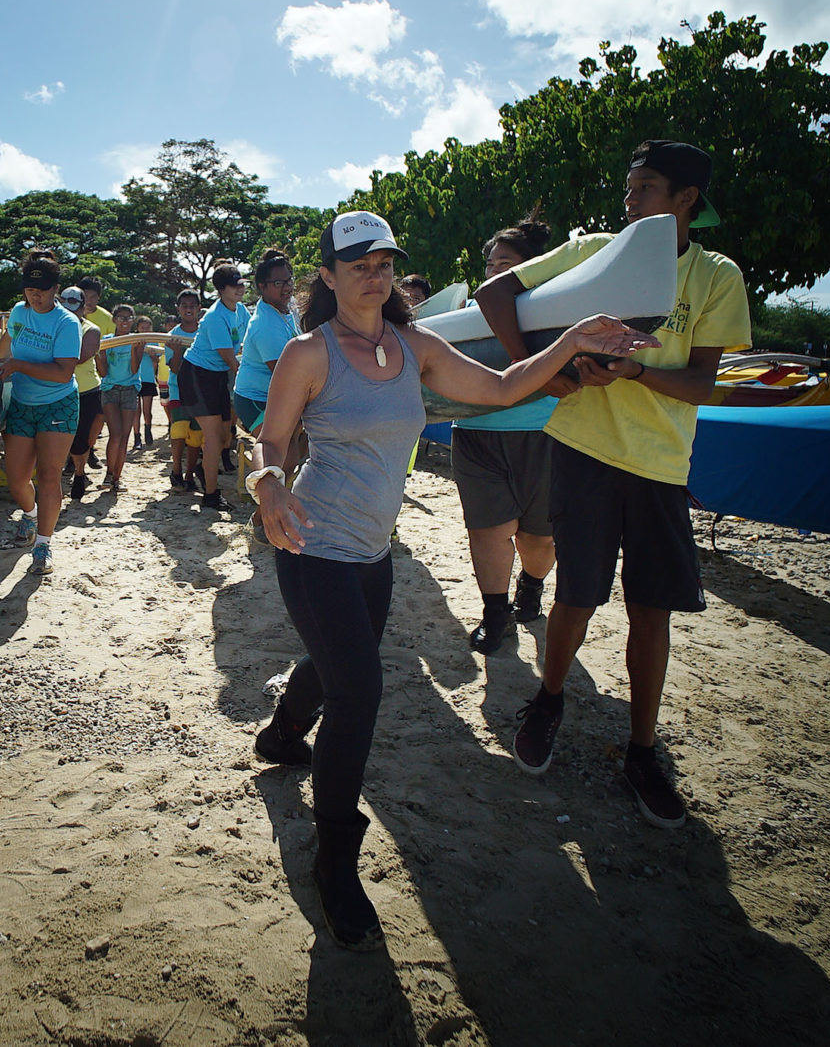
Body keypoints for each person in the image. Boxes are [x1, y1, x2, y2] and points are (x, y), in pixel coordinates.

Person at [249, 210, 658, 949]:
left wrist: (569, 342)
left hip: (372, 553)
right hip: (310, 543)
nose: (374, 274)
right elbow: (271, 439)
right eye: (359, 263)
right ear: (331, 276)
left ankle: (281, 734)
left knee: (335, 665)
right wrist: (270, 486)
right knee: (360, 688)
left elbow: (501, 388)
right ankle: (336, 860)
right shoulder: (309, 353)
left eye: (384, 262)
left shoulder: (417, 347)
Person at [476, 140, 749, 829]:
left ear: (687, 200)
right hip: (583, 447)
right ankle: (550, 698)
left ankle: (642, 748)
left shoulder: (716, 275)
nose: (631, 200)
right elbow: (495, 292)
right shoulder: (599, 247)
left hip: (660, 463)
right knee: (576, 594)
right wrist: (547, 368)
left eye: (648, 187)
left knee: (650, 608)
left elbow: (701, 384)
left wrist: (633, 373)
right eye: (629, 186)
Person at [454, 217, 560, 654]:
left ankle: (531, 585)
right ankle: (495, 613)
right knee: (488, 531)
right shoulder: (465, 318)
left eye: (507, 264)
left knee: (539, 538)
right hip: (477, 434)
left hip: (544, 434)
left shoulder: (557, 312)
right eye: (490, 265)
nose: (495, 273)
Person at [0, 254, 83, 575]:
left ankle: (43, 544)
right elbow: (8, 340)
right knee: (16, 477)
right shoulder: (19, 312)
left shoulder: (66, 322)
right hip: (21, 402)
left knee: (49, 475)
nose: (36, 295)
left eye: (43, 289)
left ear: (55, 288)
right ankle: (30, 515)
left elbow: (63, 373)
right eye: (30, 288)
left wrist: (17, 366)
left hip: (58, 403)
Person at [183, 263, 250, 509]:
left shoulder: (241, 311)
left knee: (224, 437)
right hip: (198, 375)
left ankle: (203, 468)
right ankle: (211, 495)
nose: (240, 289)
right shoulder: (214, 317)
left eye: (241, 284)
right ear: (221, 289)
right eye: (234, 285)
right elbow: (230, 359)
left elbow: (250, 341)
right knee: (212, 438)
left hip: (218, 376)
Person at [232, 249, 298, 435]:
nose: (286, 287)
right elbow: (284, 376)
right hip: (255, 400)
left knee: (294, 449)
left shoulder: (289, 306)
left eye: (289, 280)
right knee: (275, 447)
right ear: (262, 286)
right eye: (278, 283)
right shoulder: (265, 325)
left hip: (279, 397)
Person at [60, 284, 108, 501]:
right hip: (57, 388)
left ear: (83, 309)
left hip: (86, 389)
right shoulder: (54, 325)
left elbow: (79, 356)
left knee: (82, 438)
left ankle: (79, 472)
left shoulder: (91, 329)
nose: (70, 312)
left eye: (75, 308)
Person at [97, 304, 147, 493]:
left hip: (129, 389)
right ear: (114, 319)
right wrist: (99, 355)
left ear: (133, 320)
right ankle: (109, 473)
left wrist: (135, 350)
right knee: (115, 434)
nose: (125, 321)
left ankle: (117, 478)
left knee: (124, 437)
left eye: (128, 317)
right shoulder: (107, 341)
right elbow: (103, 372)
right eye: (121, 317)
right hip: (110, 389)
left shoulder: (137, 340)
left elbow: (134, 369)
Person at [70, 277, 116, 475]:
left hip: (96, 378)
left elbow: (111, 348)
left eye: (93, 296)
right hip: (68, 379)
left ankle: (88, 451)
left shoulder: (106, 319)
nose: (88, 301)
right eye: (84, 296)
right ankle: (72, 459)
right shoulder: (64, 316)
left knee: (96, 419)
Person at [163, 290, 203, 489]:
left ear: (199, 309)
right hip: (178, 389)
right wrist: (177, 352)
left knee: (196, 434)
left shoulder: (205, 331)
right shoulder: (172, 336)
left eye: (192, 306)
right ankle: (176, 470)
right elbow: (175, 368)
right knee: (179, 429)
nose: (188, 309)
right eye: (184, 306)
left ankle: (189, 475)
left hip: (201, 392)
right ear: (178, 309)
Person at [134, 315, 162, 445]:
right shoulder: (133, 340)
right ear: (138, 328)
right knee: (136, 410)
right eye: (142, 327)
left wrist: (153, 357)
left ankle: (148, 429)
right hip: (135, 378)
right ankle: (136, 436)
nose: (145, 330)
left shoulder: (154, 341)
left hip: (148, 378)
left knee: (147, 410)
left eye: (147, 327)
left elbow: (157, 362)